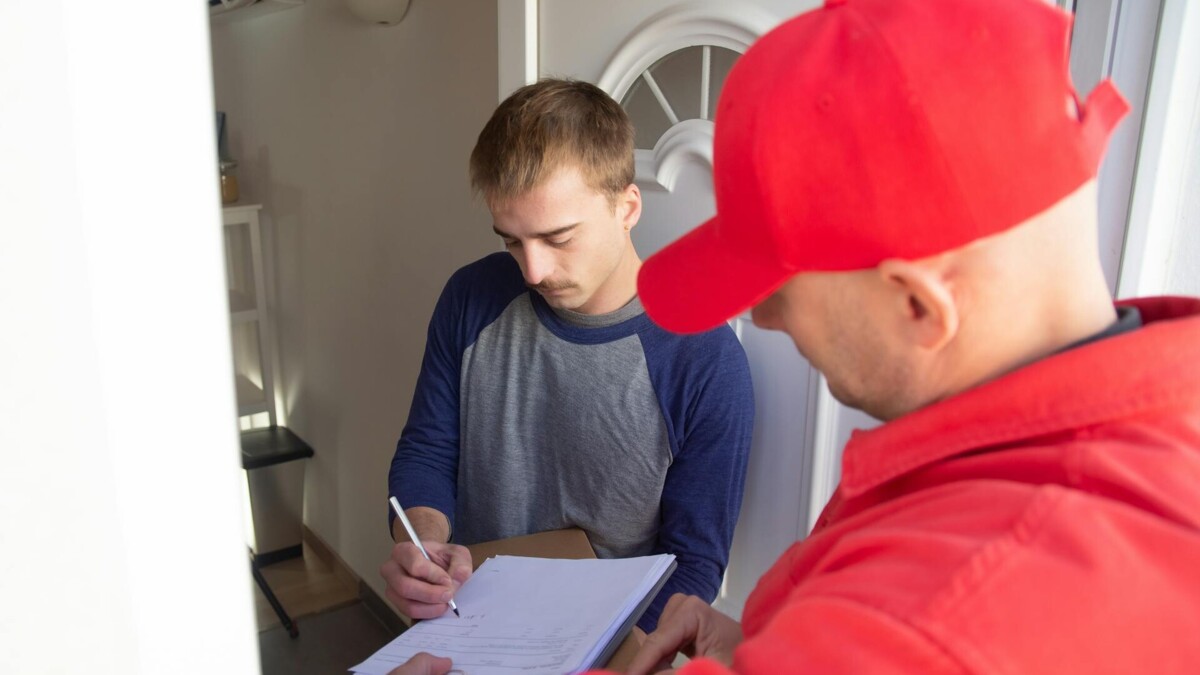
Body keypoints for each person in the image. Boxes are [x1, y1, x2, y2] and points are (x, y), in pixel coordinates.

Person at [620, 0, 1200, 672]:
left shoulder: (921, 623)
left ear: (919, 306)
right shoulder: (1145, 412)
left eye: (776, 291)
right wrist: (763, 638)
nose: (765, 320)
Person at [380, 79, 754, 640]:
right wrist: (424, 543)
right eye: (512, 240)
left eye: (558, 238)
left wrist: (606, 656)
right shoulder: (473, 296)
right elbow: (428, 450)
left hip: (603, 646)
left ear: (627, 207)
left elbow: (693, 564)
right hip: (465, 629)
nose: (531, 271)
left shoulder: (704, 360)